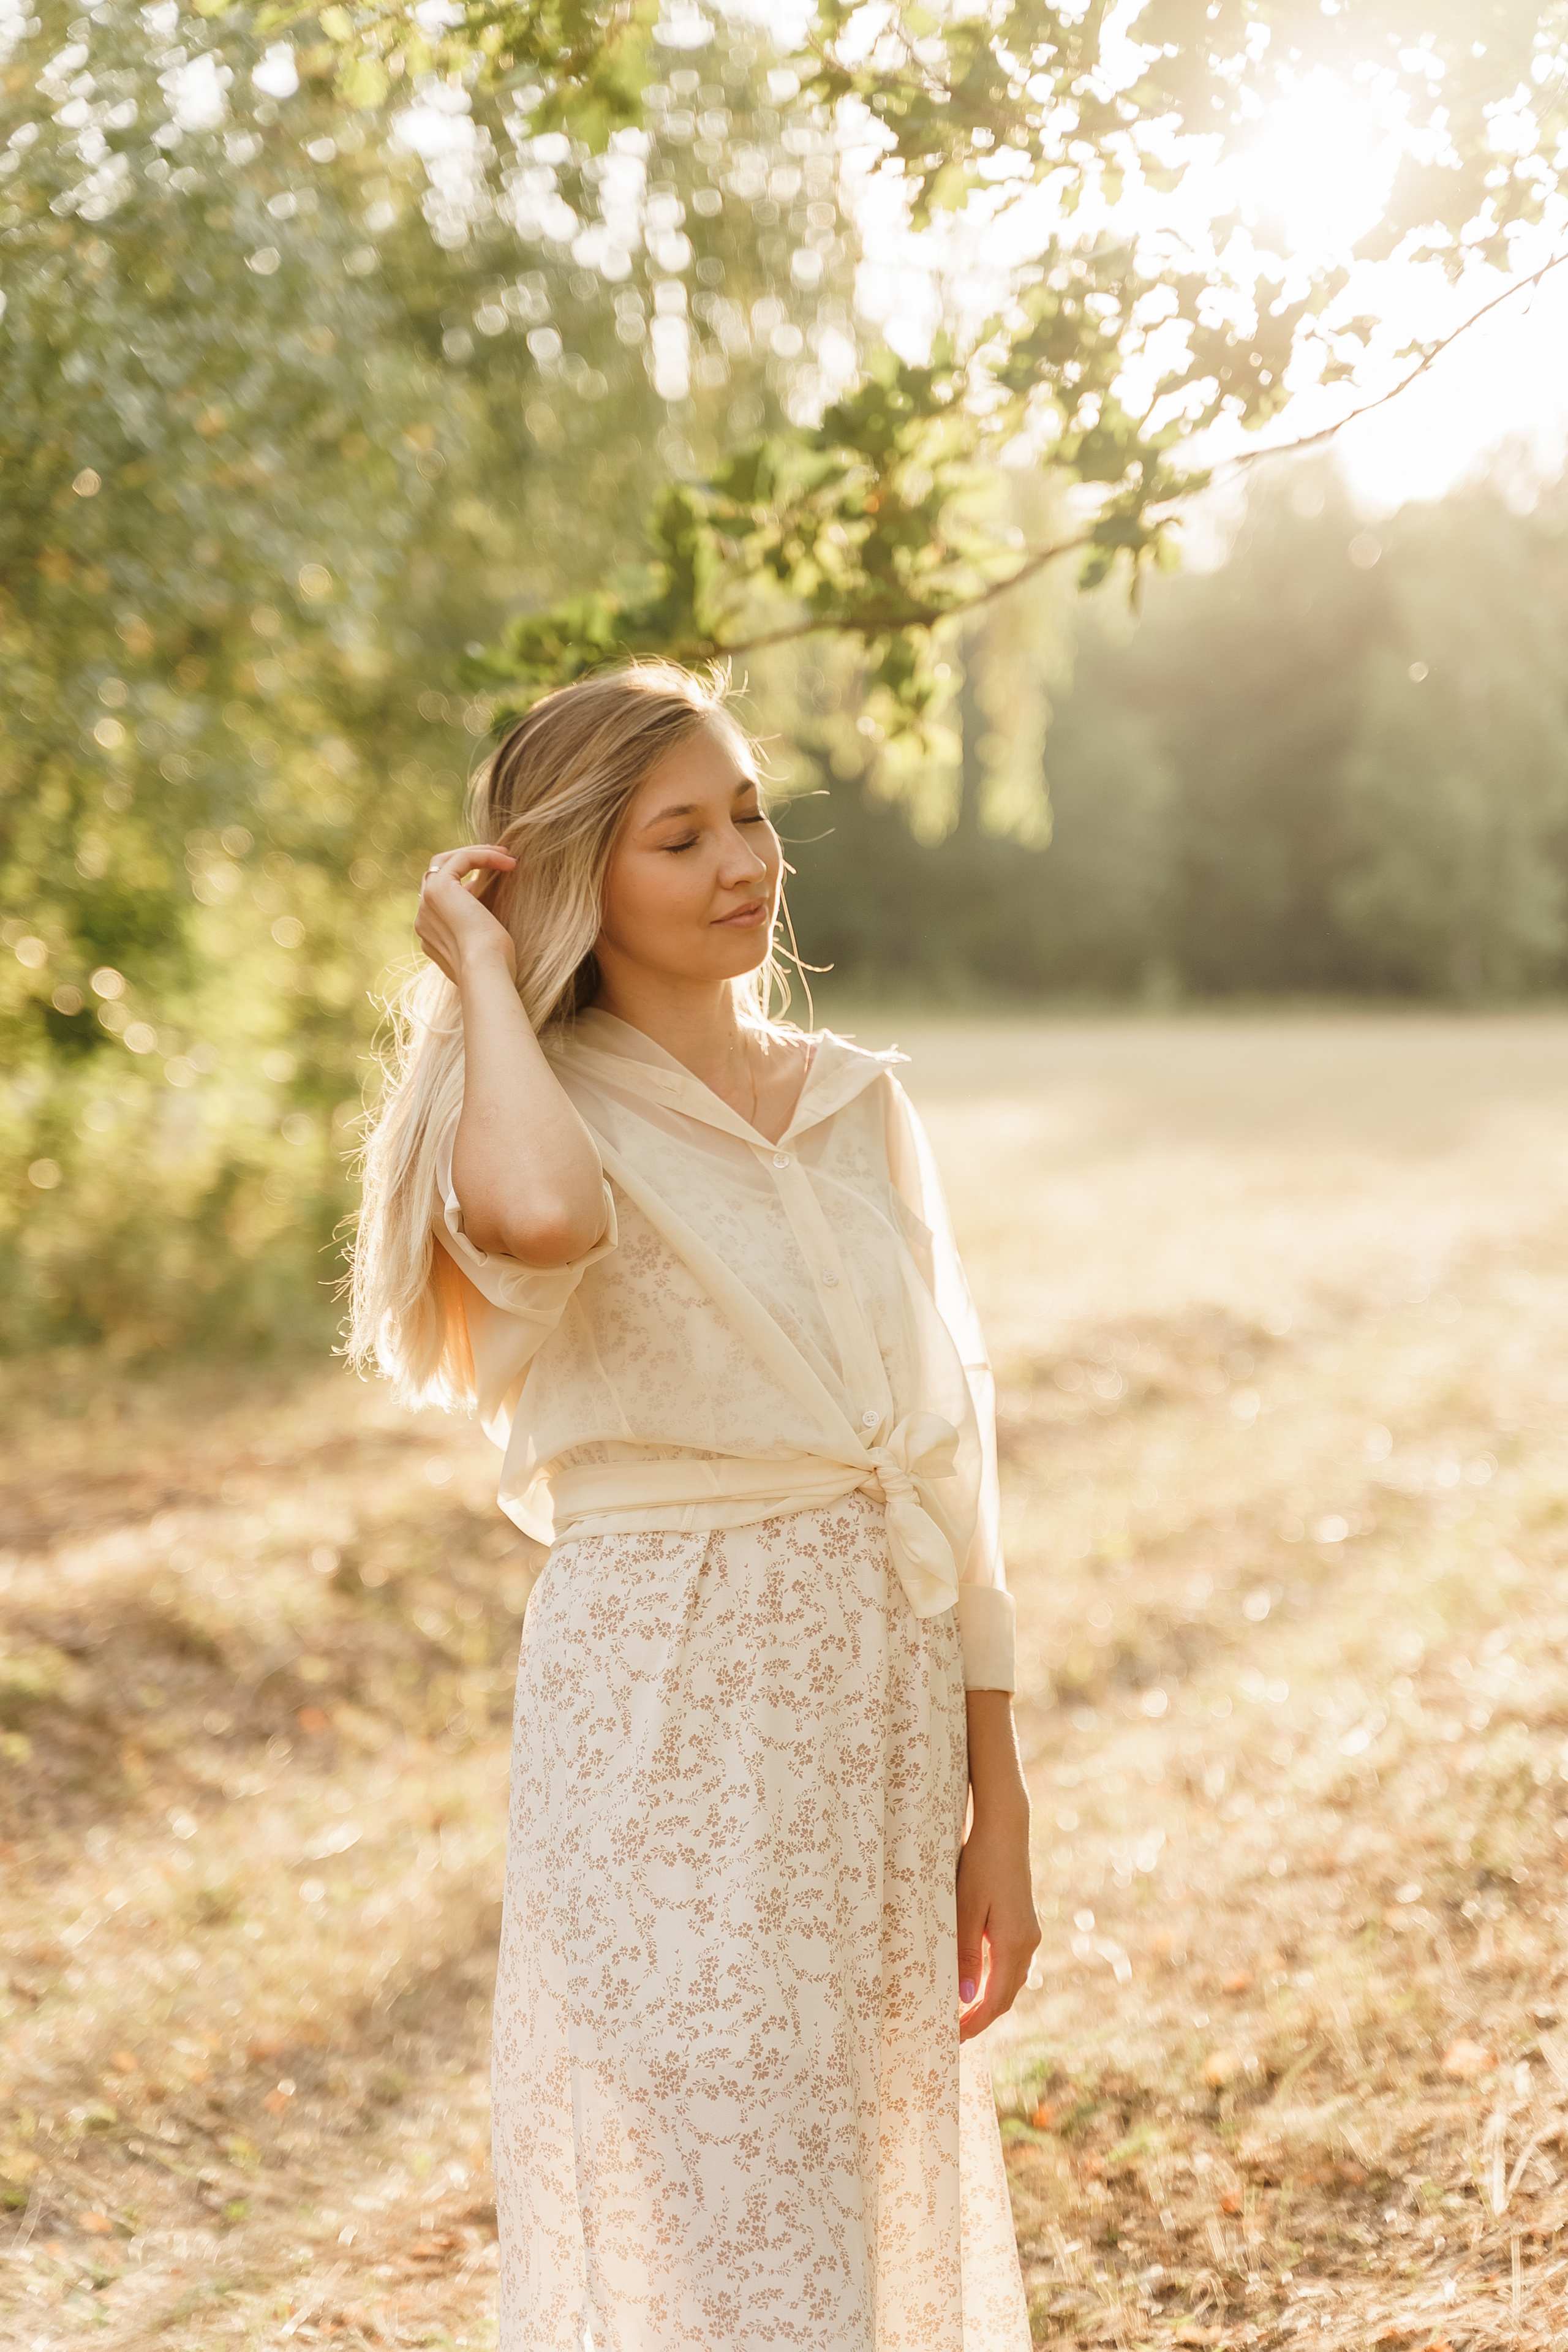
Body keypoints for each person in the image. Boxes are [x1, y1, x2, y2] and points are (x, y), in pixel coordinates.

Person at [349, 662, 1039, 2351]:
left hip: (871, 1706)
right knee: (710, 2204)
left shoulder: (860, 1101)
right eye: (682, 836)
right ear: (586, 872)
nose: (746, 861)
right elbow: (538, 1218)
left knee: (851, 2195)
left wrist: (996, 1794)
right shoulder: (528, 1106)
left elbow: (953, 1451)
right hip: (665, 1708)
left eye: (749, 815)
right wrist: (489, 983)